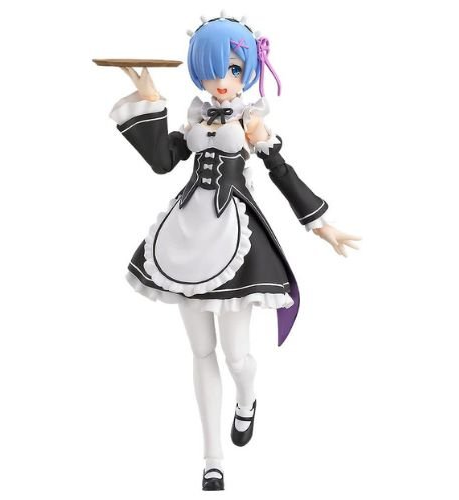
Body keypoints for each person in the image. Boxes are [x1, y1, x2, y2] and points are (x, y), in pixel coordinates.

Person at [108, 12, 360, 491]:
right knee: (201, 351)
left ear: (249, 69)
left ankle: (247, 399)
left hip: (233, 241)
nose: (222, 80)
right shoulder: (196, 117)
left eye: (234, 69)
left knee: (237, 356)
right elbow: (162, 161)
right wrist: (150, 99)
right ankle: (212, 458)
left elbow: (281, 172)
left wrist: (321, 224)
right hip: (186, 237)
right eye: (211, 70)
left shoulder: (250, 119)